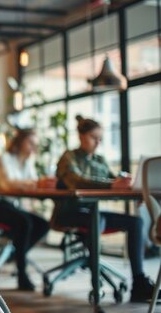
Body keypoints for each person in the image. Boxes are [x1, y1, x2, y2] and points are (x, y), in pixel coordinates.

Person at [54, 115, 160, 303]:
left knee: (136, 222)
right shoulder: (68, 157)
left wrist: (129, 184)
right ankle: (96, 288)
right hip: (69, 213)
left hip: (93, 212)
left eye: (100, 138)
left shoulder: (100, 160)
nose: (98, 143)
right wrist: (112, 184)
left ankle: (139, 283)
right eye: (94, 138)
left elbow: (114, 180)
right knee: (98, 220)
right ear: (81, 136)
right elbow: (75, 181)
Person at [0, 128, 52, 291]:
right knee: (25, 222)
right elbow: (8, 184)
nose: (33, 147)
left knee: (43, 224)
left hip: (14, 206)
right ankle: (22, 274)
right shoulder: (4, 158)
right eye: (30, 142)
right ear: (20, 141)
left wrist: (35, 184)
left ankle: (16, 253)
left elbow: (34, 183)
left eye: (35, 144)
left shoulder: (28, 161)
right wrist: (31, 184)